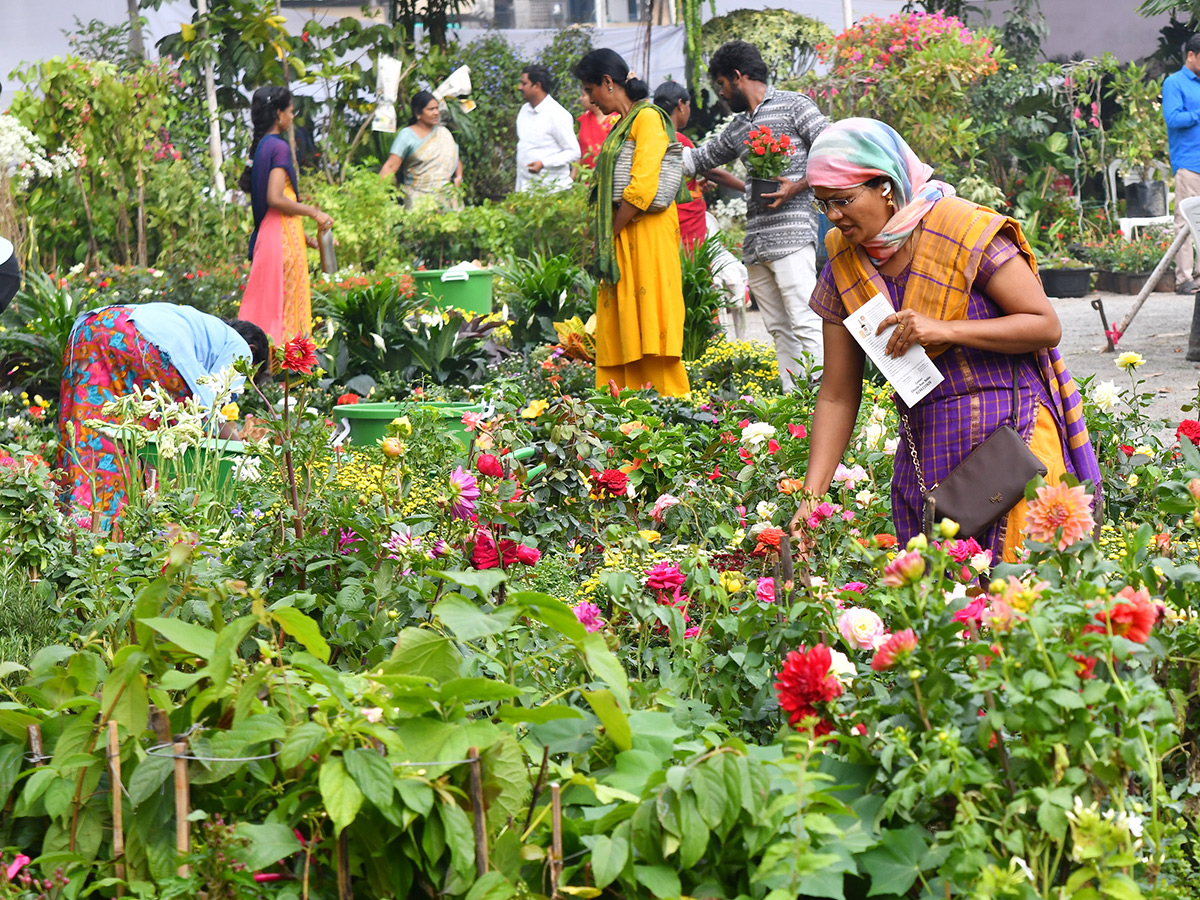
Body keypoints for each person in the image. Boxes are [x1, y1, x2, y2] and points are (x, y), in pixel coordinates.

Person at [789, 118, 1102, 564]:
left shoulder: (965, 230)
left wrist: (944, 329)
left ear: (886, 185)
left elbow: (1044, 324)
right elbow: (838, 394)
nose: (834, 216)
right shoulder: (843, 261)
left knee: (1022, 606)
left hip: (1013, 449)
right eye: (824, 205)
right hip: (931, 459)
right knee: (944, 614)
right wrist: (810, 500)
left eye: (843, 200)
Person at [683, 40, 828, 391]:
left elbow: (834, 148)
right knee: (779, 329)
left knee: (805, 321)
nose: (720, 93)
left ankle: (827, 405)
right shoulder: (737, 127)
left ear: (737, 76)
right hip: (756, 242)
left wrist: (797, 185)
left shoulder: (795, 106)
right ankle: (796, 407)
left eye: (720, 84)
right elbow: (696, 161)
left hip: (793, 236)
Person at [58, 303, 269, 529]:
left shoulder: (198, 325)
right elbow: (210, 410)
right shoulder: (241, 349)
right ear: (252, 350)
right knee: (168, 436)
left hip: (92, 328)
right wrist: (246, 454)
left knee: (93, 432)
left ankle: (82, 525)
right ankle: (138, 526)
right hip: (141, 340)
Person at [574, 48, 691, 397]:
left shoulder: (648, 118)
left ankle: (668, 410)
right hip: (627, 235)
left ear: (608, 83)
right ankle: (624, 411)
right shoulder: (624, 122)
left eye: (590, 89)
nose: (590, 99)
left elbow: (642, 186)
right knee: (626, 323)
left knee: (649, 322)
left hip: (646, 236)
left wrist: (607, 234)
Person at [237, 86, 332, 346]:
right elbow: (276, 198)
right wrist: (315, 212)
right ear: (279, 114)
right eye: (291, 111)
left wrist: (307, 238)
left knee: (267, 308)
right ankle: (292, 375)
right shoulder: (278, 146)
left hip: (269, 236)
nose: (292, 117)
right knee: (290, 307)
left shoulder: (261, 146)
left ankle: (261, 369)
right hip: (281, 239)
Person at [652, 81, 745, 250]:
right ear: (681, 105)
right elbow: (712, 173)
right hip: (685, 222)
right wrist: (747, 188)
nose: (689, 110)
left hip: (664, 220)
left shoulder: (652, 136)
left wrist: (696, 188)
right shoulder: (677, 140)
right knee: (692, 269)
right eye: (688, 105)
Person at [378, 91, 463, 207]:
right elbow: (390, 166)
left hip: (447, 200)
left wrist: (458, 177)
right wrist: (378, 195)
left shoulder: (444, 133)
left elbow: (454, 157)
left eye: (437, 108)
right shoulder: (406, 136)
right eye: (431, 109)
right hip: (417, 201)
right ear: (418, 113)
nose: (436, 113)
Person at [1163, 33, 1200, 294]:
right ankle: (1183, 279)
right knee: (1185, 221)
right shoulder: (1173, 83)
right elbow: (1173, 119)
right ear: (1191, 55)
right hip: (1189, 163)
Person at [515, 64, 580, 192]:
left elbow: (574, 152)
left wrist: (544, 163)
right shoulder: (524, 110)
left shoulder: (557, 114)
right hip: (526, 189)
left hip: (552, 191)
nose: (519, 87)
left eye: (524, 84)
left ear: (537, 86)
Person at [577, 88, 618, 169]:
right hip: (586, 175)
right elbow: (581, 152)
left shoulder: (614, 119)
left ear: (593, 96)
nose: (580, 98)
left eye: (583, 95)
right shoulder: (585, 119)